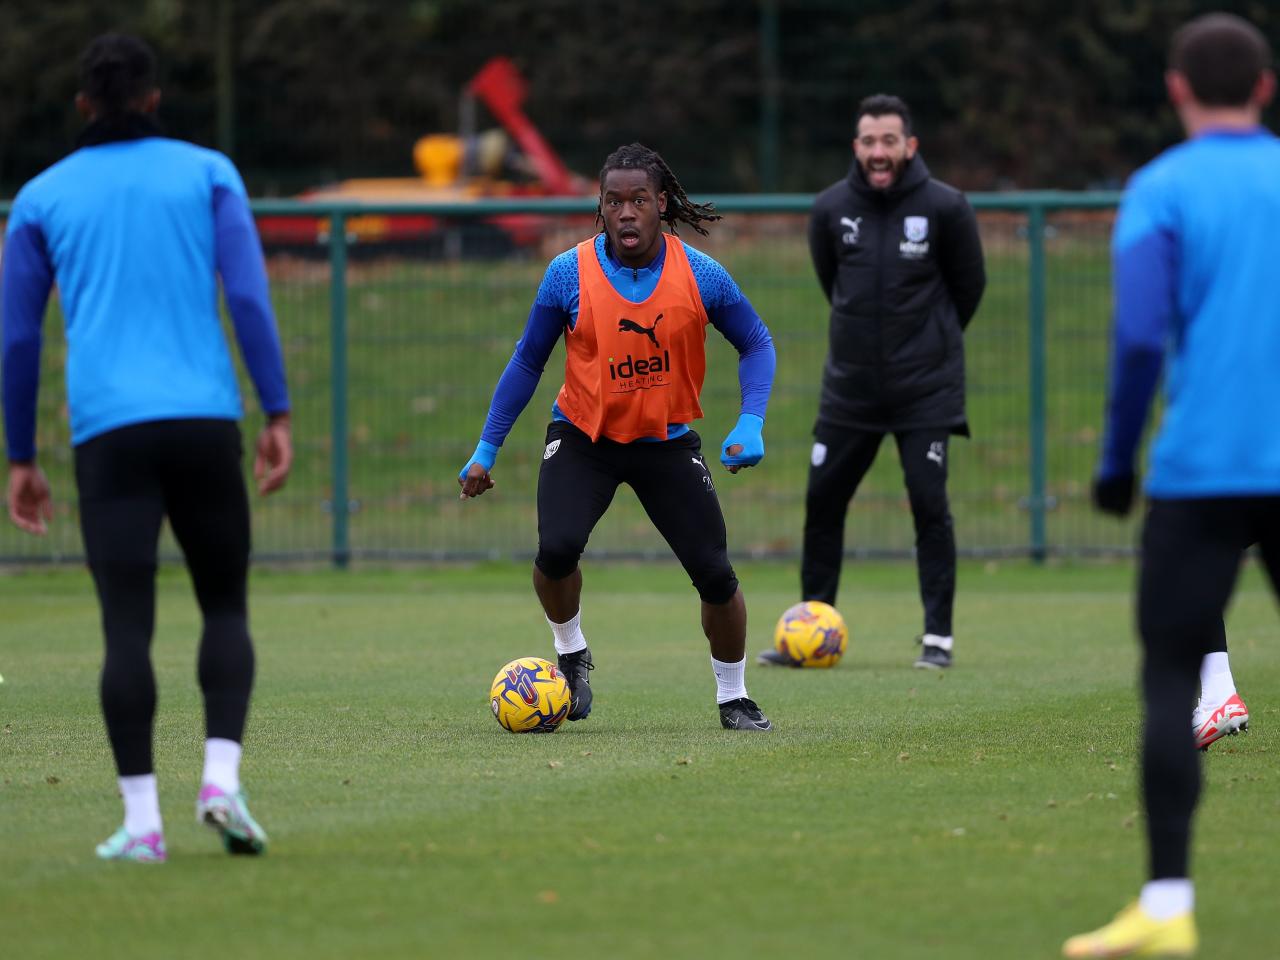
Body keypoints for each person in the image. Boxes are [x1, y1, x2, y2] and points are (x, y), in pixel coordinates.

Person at [1, 34, 291, 862]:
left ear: (84, 105)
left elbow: (19, 338)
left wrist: (21, 455)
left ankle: (141, 825)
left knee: (125, 628)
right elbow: (246, 295)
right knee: (225, 607)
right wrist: (276, 408)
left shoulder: (41, 197)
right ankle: (222, 783)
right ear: (156, 99)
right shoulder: (208, 172)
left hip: (108, 432)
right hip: (204, 420)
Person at [1065, 13, 1279, 956]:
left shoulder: (1159, 190)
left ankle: (1166, 905)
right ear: (1265, 88)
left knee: (1166, 683)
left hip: (1197, 473)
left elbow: (1144, 339)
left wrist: (1116, 463)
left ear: (1178, 90)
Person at [458, 142, 776, 732]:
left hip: (666, 441)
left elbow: (757, 342)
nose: (626, 211)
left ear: (661, 204)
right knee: (555, 553)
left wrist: (751, 419)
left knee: (715, 575)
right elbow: (527, 362)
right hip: (584, 438)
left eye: (639, 200)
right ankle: (571, 653)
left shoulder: (701, 275)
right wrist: (485, 449)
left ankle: (734, 696)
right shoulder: (566, 272)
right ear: (600, 209)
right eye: (613, 201)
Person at [755, 94, 985, 671]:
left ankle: (938, 639)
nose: (878, 152)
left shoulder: (946, 208)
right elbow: (833, 284)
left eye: (889, 140)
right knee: (823, 501)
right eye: (868, 141)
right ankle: (811, 628)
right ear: (856, 147)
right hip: (850, 392)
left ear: (910, 146)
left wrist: (925, 345)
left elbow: (969, 290)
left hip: (924, 392)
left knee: (929, 504)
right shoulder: (831, 209)